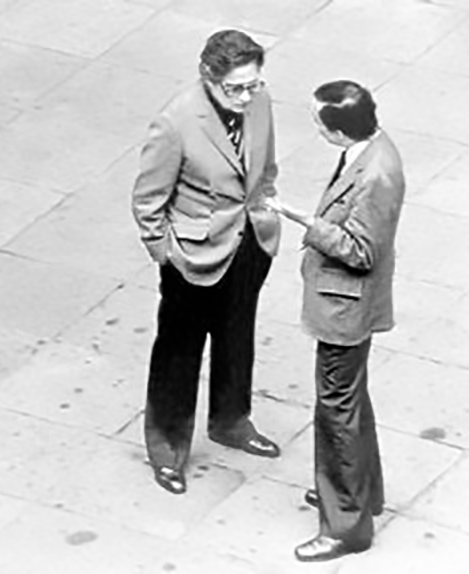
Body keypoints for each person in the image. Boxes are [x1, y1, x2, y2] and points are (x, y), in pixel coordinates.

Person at [131, 29, 282, 496]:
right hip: (193, 255)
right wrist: (167, 254)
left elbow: (266, 164)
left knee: (238, 336)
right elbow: (148, 200)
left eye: (251, 84)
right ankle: (168, 446)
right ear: (208, 78)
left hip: (248, 242)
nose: (244, 96)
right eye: (233, 88)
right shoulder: (175, 122)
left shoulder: (259, 101)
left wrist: (265, 212)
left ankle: (231, 420)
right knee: (179, 351)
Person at [265, 80, 405, 561]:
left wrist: (305, 221)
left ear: (340, 130)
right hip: (347, 304)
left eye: (319, 122)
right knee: (351, 401)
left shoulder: (375, 174)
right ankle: (362, 492)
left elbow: (361, 251)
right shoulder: (369, 154)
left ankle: (345, 524)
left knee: (335, 412)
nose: (316, 128)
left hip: (345, 307)